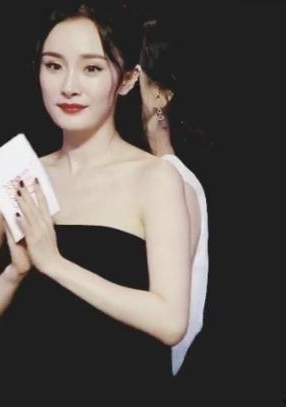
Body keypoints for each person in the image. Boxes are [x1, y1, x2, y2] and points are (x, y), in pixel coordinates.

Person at [0, 2, 191, 402]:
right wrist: (15, 273)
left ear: (127, 80)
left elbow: (170, 321)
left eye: (91, 68)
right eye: (53, 65)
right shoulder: (13, 176)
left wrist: (56, 264)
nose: (69, 86)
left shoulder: (154, 178)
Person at [137, 19, 209, 376]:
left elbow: (169, 320)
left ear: (160, 95)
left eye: (132, 76)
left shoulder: (174, 181)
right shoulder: (163, 174)